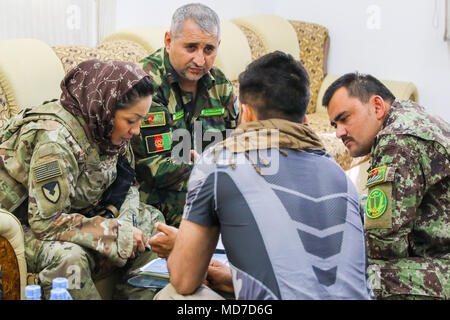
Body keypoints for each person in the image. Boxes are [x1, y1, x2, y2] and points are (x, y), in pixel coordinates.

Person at [155, 51, 372, 300]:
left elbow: (184, 280)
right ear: (304, 119)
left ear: (246, 114)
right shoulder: (339, 174)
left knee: (174, 296)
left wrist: (181, 247)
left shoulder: (219, 161)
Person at [0, 59, 165, 300]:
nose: (136, 130)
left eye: (141, 120)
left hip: (73, 213)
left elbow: (127, 185)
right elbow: (45, 222)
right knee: (69, 258)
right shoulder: (55, 142)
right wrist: (115, 233)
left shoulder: (104, 130)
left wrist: (127, 225)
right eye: (131, 121)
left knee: (151, 220)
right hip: (24, 224)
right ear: (108, 108)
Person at [322, 72, 449, 300]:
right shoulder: (408, 114)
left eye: (345, 118)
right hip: (437, 248)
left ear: (377, 107)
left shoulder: (397, 142)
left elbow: (384, 246)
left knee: (362, 276)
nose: (338, 132)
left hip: (444, 263)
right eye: (334, 124)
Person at [132, 3, 238, 228]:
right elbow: (153, 169)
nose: (200, 61)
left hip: (210, 186)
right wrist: (210, 170)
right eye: (191, 47)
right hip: (158, 198)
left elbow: (238, 145)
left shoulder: (219, 84)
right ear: (169, 41)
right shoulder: (146, 85)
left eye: (209, 49)